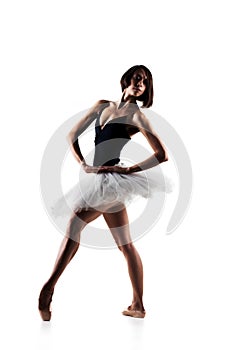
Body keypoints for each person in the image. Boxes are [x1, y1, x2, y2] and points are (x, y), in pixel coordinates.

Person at [38, 65, 169, 321]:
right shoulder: (102, 105)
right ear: (126, 80)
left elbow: (162, 155)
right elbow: (71, 135)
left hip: (112, 181)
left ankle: (48, 288)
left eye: (144, 81)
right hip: (98, 178)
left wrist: (130, 169)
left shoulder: (137, 117)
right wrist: (83, 164)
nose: (139, 82)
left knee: (75, 223)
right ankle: (138, 305)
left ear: (146, 90)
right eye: (136, 77)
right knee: (126, 245)